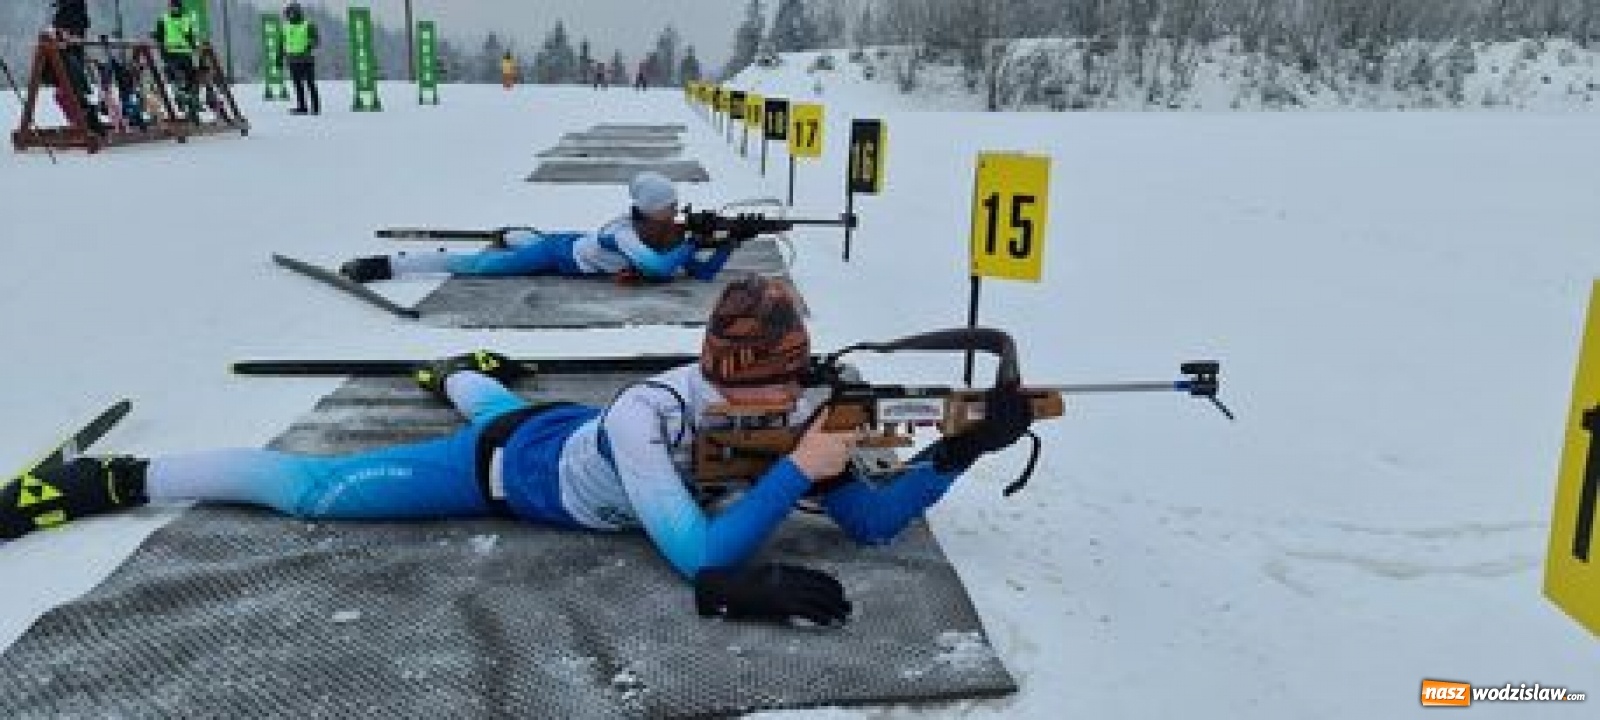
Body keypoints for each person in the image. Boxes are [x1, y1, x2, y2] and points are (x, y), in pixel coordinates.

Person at [0, 277, 1033, 626]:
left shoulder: (796, 411)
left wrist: (963, 450)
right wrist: (796, 473)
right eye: (739, 382)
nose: (759, 401)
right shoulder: (650, 416)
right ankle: (112, 479)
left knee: (492, 392)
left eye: (776, 386)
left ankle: (458, 368)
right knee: (312, 490)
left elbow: (873, 523)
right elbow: (701, 558)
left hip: (557, 429)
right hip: (502, 475)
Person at [338, 171, 740, 285]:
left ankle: (514, 234)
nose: (676, 214)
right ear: (651, 210)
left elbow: (702, 274)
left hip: (573, 244)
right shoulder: (623, 233)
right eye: (670, 208)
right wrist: (693, 243)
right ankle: (389, 264)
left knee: (532, 241)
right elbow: (658, 268)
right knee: (482, 267)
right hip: (559, 255)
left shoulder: (663, 232)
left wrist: (728, 243)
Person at [48, 0, 106, 135]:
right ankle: (86, 122)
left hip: (67, 54)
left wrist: (62, 35)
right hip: (69, 53)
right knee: (70, 92)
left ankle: (85, 123)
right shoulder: (75, 10)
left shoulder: (70, 11)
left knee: (69, 91)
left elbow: (68, 32)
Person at [152, 0, 198, 121]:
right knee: (174, 75)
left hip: (185, 53)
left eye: (175, 7)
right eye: (171, 6)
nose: (173, 9)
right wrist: (158, 43)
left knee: (191, 78)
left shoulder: (186, 19)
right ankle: (179, 96)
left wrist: (193, 46)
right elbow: (160, 36)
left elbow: (190, 35)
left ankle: (191, 103)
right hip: (171, 53)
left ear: (179, 7)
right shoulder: (164, 19)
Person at [282, 2, 320, 115]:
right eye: (288, 13)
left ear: (298, 12)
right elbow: (282, 42)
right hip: (292, 60)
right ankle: (302, 106)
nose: (290, 15)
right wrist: (279, 57)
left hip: (306, 59)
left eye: (292, 13)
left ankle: (315, 107)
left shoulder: (308, 25)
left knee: (310, 83)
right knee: (297, 84)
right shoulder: (286, 27)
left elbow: (316, 39)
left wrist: (310, 45)